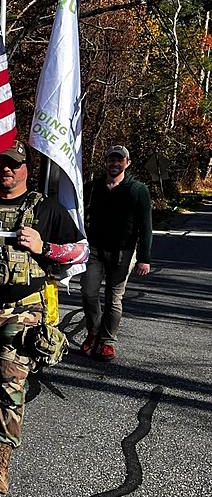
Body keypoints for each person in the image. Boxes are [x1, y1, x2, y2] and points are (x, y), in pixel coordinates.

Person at [0, 142, 86, 494]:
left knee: (10, 382)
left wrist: (44, 247)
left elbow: (80, 250)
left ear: (26, 168)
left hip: (23, 309)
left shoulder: (46, 209)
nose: (5, 170)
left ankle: (2, 458)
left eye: (13, 164)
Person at [80, 145, 152, 361]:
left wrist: (144, 258)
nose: (114, 164)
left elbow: (146, 226)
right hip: (94, 249)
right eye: (111, 160)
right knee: (88, 292)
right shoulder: (93, 187)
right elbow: (74, 208)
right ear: (106, 162)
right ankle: (93, 332)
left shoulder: (137, 190)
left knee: (114, 298)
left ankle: (107, 341)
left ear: (127, 163)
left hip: (123, 252)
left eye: (119, 160)